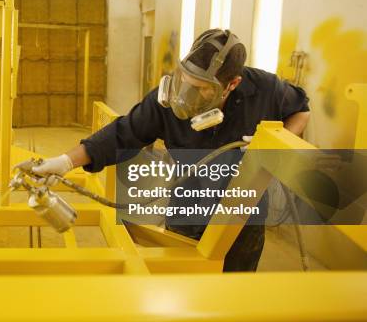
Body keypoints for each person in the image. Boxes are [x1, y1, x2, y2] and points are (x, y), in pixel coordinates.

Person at [28, 28, 310, 271]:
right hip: (188, 203)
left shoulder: (266, 89)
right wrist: (65, 161)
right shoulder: (166, 102)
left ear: (232, 84)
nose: (185, 96)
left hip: (244, 214)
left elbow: (301, 110)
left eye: (201, 89)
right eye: (184, 80)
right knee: (182, 282)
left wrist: (272, 144)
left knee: (234, 291)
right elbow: (122, 134)